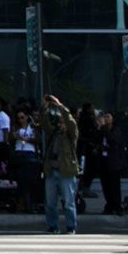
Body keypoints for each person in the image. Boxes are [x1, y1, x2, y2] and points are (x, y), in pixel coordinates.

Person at [40, 94, 80, 234]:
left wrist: (59, 105)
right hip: (52, 169)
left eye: (63, 122)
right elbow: (45, 124)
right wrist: (44, 108)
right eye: (60, 122)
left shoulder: (71, 134)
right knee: (50, 202)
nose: (62, 124)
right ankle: (53, 226)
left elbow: (71, 122)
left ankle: (71, 226)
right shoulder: (55, 133)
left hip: (66, 171)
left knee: (68, 202)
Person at [95, 110, 127, 216]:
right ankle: (109, 205)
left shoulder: (115, 130)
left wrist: (104, 128)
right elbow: (97, 140)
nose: (106, 119)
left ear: (113, 119)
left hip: (113, 162)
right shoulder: (102, 130)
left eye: (108, 117)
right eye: (105, 117)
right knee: (106, 185)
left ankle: (117, 206)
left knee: (114, 186)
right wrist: (99, 128)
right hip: (103, 160)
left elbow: (112, 141)